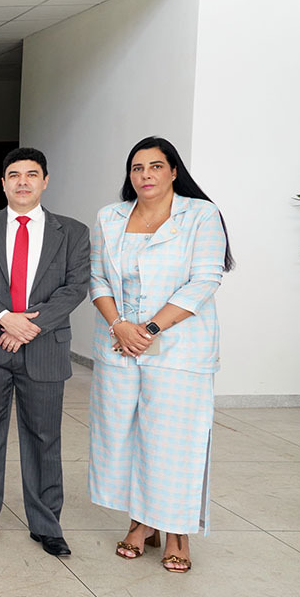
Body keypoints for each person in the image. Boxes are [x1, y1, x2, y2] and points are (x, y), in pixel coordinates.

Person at [88, 136, 232, 573]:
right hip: (119, 344)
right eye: (137, 168)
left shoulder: (200, 215)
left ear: (173, 171)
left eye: (155, 166)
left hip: (177, 348)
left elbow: (204, 280)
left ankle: (177, 532)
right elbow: (98, 278)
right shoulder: (110, 217)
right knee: (126, 436)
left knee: (174, 442)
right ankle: (141, 522)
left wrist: (148, 329)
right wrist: (120, 326)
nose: (145, 175)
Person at [0, 147, 90, 557]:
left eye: (32, 174)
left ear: (45, 181)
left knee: (44, 438)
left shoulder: (73, 231)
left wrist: (28, 324)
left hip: (44, 347)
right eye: (14, 174)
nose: (23, 182)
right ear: (3, 183)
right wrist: (3, 318)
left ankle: (47, 524)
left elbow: (75, 286)